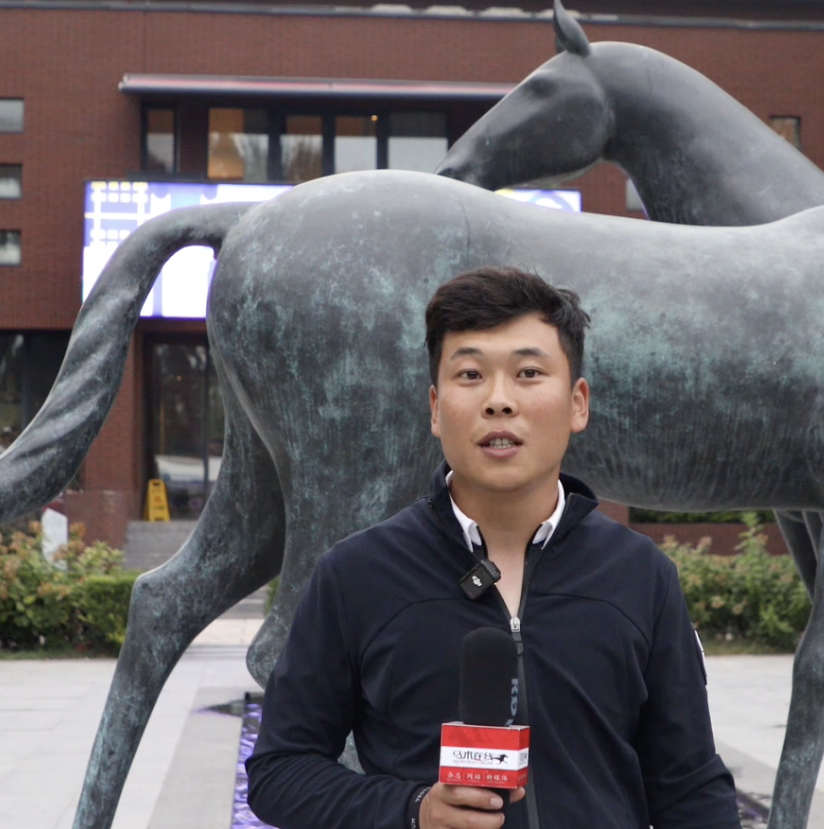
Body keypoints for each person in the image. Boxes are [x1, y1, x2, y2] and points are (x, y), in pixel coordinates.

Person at [246, 266, 740, 829]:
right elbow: (280, 770)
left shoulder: (641, 576)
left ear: (578, 403)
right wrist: (413, 810)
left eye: (529, 372)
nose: (499, 401)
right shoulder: (356, 575)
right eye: (471, 374)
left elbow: (690, 786)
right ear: (436, 408)